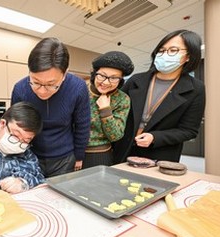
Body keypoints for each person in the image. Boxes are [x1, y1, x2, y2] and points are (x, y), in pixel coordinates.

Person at [113, 29, 205, 164]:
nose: (165, 55)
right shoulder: (136, 80)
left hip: (160, 153)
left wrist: (155, 137)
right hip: (124, 147)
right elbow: (117, 109)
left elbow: (189, 130)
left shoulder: (196, 88)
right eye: (161, 50)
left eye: (173, 50)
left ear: (188, 56)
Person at [11, 37, 91, 177]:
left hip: (64, 158)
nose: (42, 91)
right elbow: (16, 126)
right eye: (35, 82)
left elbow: (82, 125)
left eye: (50, 84)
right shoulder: (20, 89)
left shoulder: (78, 87)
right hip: (30, 155)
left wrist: (79, 156)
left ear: (65, 74)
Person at [83, 51, 134, 168]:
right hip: (69, 151)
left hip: (99, 154)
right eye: (102, 75)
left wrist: (105, 110)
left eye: (114, 78)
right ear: (94, 73)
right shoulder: (81, 89)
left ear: (120, 80)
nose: (106, 82)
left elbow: (115, 135)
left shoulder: (122, 99)